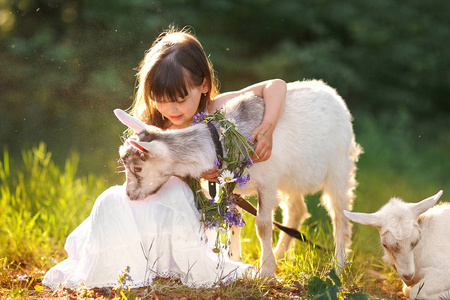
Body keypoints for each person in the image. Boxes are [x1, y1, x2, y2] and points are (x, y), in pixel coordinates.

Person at [43, 27, 287, 290]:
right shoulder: (155, 127)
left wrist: (268, 127)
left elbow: (275, 85)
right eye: (160, 101)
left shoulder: (215, 110)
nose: (171, 110)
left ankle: (173, 264)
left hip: (182, 211)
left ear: (203, 84)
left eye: (180, 100)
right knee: (110, 205)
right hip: (154, 208)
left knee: (172, 199)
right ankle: (128, 264)